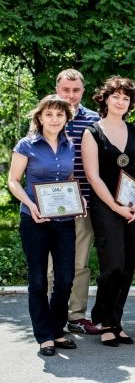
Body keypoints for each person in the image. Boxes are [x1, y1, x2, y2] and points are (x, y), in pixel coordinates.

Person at [82, 76, 135, 346]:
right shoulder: (92, 132)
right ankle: (103, 320)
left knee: (127, 266)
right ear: (105, 99)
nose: (121, 101)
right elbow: (92, 176)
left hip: (134, 206)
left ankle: (116, 322)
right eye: (116, 96)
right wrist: (114, 207)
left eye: (126, 98)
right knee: (113, 266)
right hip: (106, 207)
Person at [8, 95, 78, 356]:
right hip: (34, 220)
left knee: (65, 279)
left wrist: (77, 198)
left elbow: (68, 177)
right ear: (40, 117)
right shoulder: (26, 145)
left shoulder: (70, 145)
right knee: (38, 280)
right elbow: (13, 180)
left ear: (66, 118)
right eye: (49, 114)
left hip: (64, 222)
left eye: (60, 114)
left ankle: (57, 330)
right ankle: (45, 336)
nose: (54, 119)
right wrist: (31, 205)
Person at [54, 69, 101, 335]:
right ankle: (52, 317)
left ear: (83, 91)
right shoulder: (46, 116)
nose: (71, 96)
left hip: (84, 205)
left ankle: (76, 316)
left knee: (79, 263)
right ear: (57, 89)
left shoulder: (94, 120)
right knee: (51, 265)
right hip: (51, 206)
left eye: (76, 90)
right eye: (66, 90)